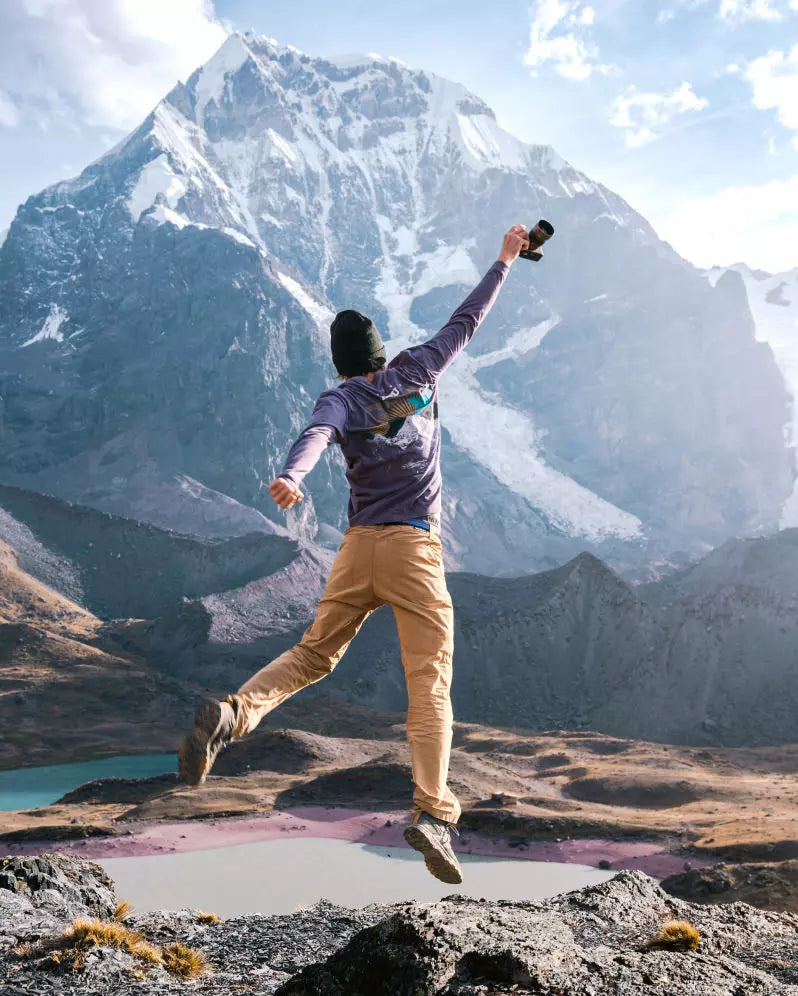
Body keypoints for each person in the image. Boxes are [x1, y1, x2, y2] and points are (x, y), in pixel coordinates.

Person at [178, 224, 531, 883]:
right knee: (429, 678)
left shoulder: (339, 397)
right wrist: (504, 259)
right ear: (380, 354)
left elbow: (317, 433)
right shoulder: (423, 369)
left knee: (313, 655)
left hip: (357, 549)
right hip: (414, 551)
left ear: (342, 365)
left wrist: (294, 476)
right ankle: (432, 812)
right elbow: (468, 317)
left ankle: (232, 716)